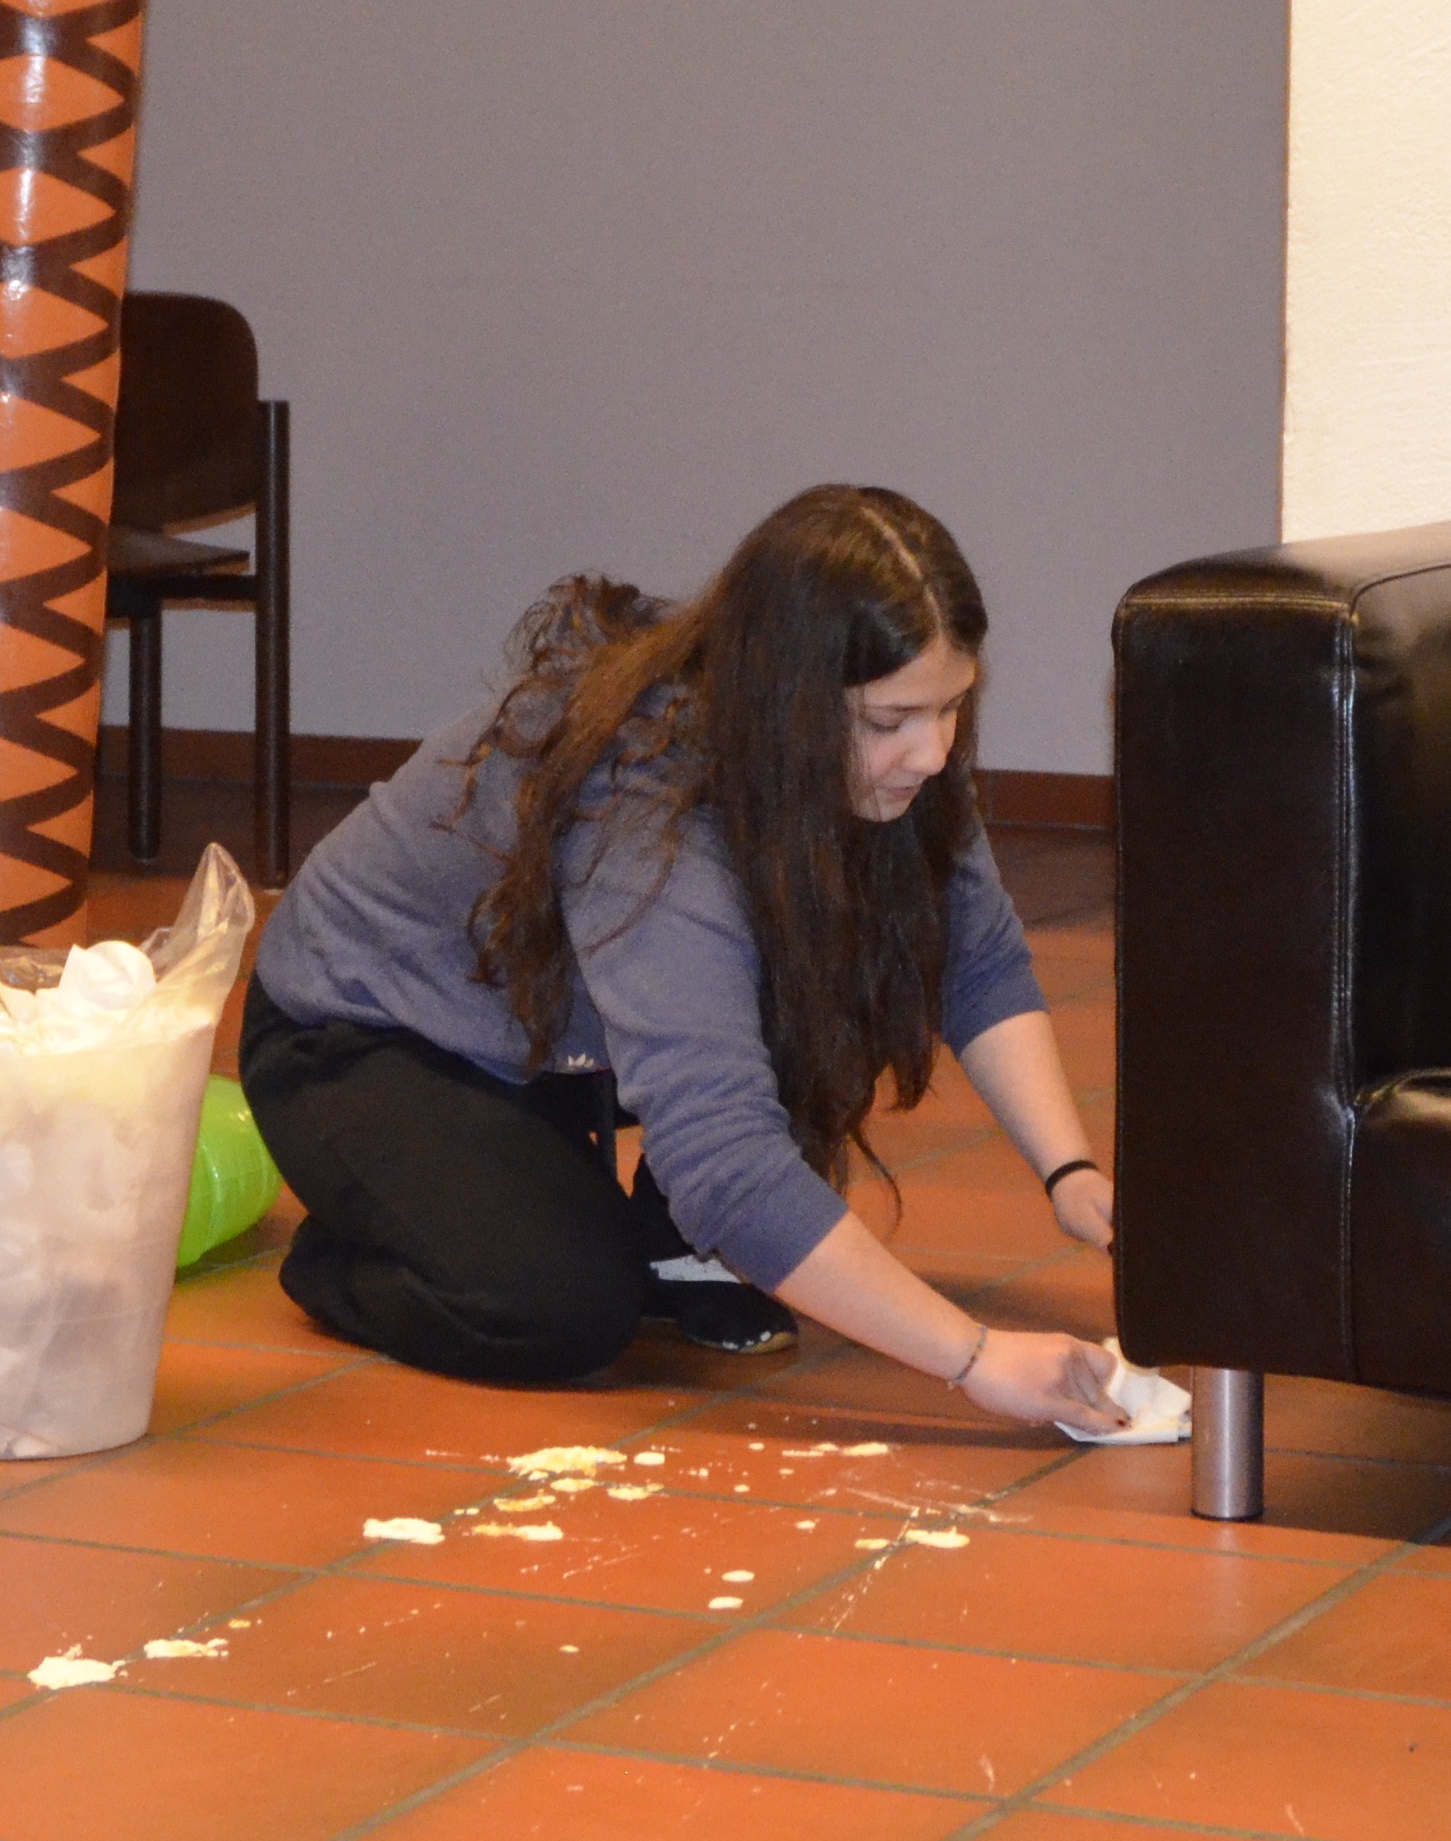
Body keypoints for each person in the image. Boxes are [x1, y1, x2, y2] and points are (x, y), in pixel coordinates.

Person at [241, 485, 1132, 1430]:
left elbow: (976, 960)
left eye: (952, 707)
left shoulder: (879, 770)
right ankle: (355, 1251)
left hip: (553, 1034)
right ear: (788, 701)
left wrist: (1069, 1173)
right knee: (558, 1309)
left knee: (847, 941)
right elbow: (726, 1155)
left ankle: (670, 1242)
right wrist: (976, 1359)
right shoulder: (648, 798)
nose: (932, 753)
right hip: (372, 1032)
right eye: (889, 722)